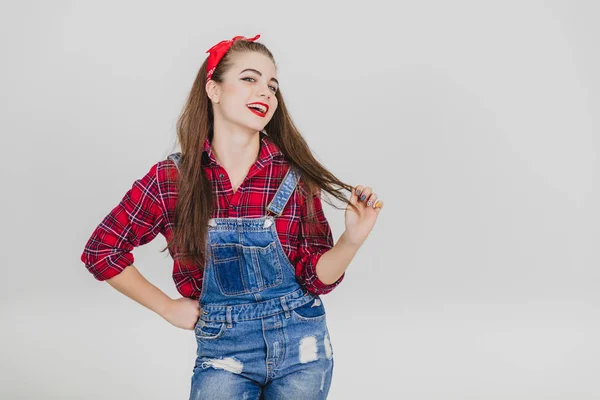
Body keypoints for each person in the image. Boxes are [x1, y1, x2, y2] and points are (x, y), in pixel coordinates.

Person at [81, 34, 384, 400]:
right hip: (224, 352)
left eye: (272, 85)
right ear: (214, 89)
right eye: (250, 79)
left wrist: (352, 239)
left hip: (302, 346)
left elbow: (315, 278)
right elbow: (102, 251)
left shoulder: (293, 176)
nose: (266, 93)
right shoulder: (172, 179)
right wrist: (166, 308)